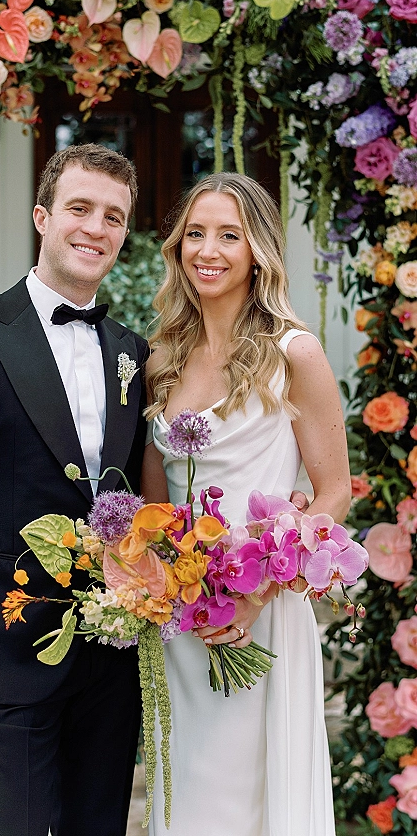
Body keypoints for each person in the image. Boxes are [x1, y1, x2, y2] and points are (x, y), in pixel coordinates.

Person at [0, 144, 149, 836]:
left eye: (113, 216)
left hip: (110, 656)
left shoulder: (132, 351)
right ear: (43, 216)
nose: (95, 228)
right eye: (79, 208)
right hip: (5, 655)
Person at [141, 172, 350, 836]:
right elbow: (154, 503)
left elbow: (333, 490)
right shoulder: (161, 358)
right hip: (182, 620)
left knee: (254, 803)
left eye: (229, 234)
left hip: (261, 614)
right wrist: (157, 579)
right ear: (177, 247)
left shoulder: (296, 353)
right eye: (196, 233)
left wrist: (259, 590)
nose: (209, 248)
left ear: (257, 250)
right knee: (188, 802)